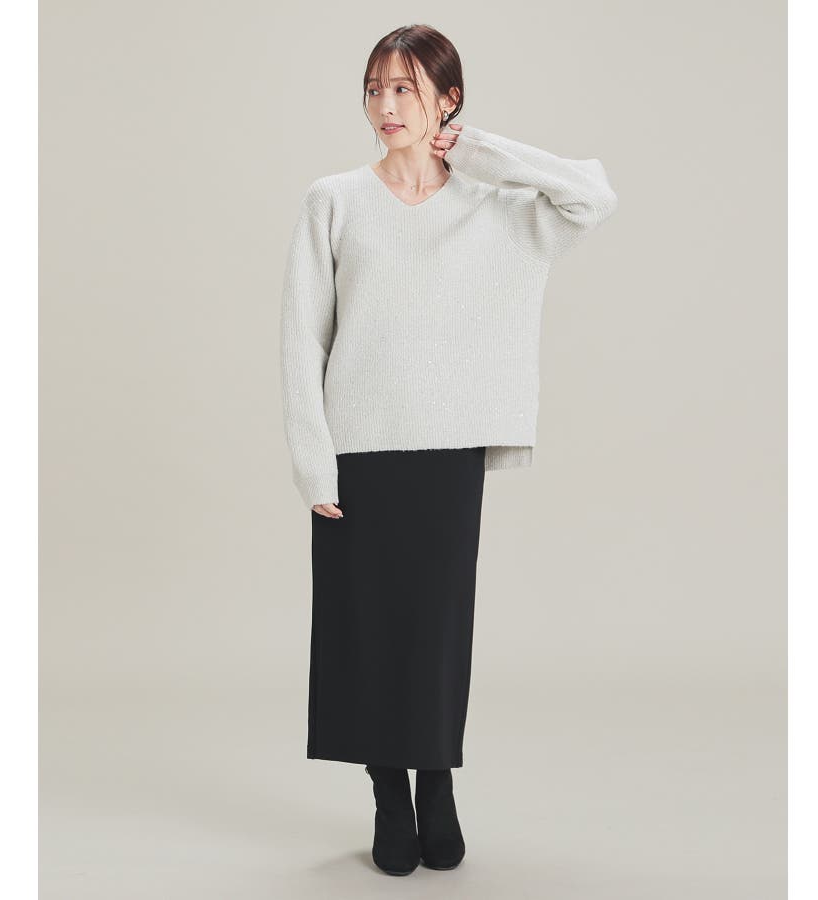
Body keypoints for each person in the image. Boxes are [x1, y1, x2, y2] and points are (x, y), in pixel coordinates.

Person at [279, 24, 618, 877]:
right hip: (357, 453)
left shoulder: (493, 207)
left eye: (406, 88)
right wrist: (314, 460)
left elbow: (591, 196)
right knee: (363, 630)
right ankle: (387, 794)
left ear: (447, 100)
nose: (386, 105)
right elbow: (301, 338)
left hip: (446, 455)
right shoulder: (333, 199)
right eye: (374, 88)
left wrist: (478, 151)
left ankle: (436, 785)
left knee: (433, 634)